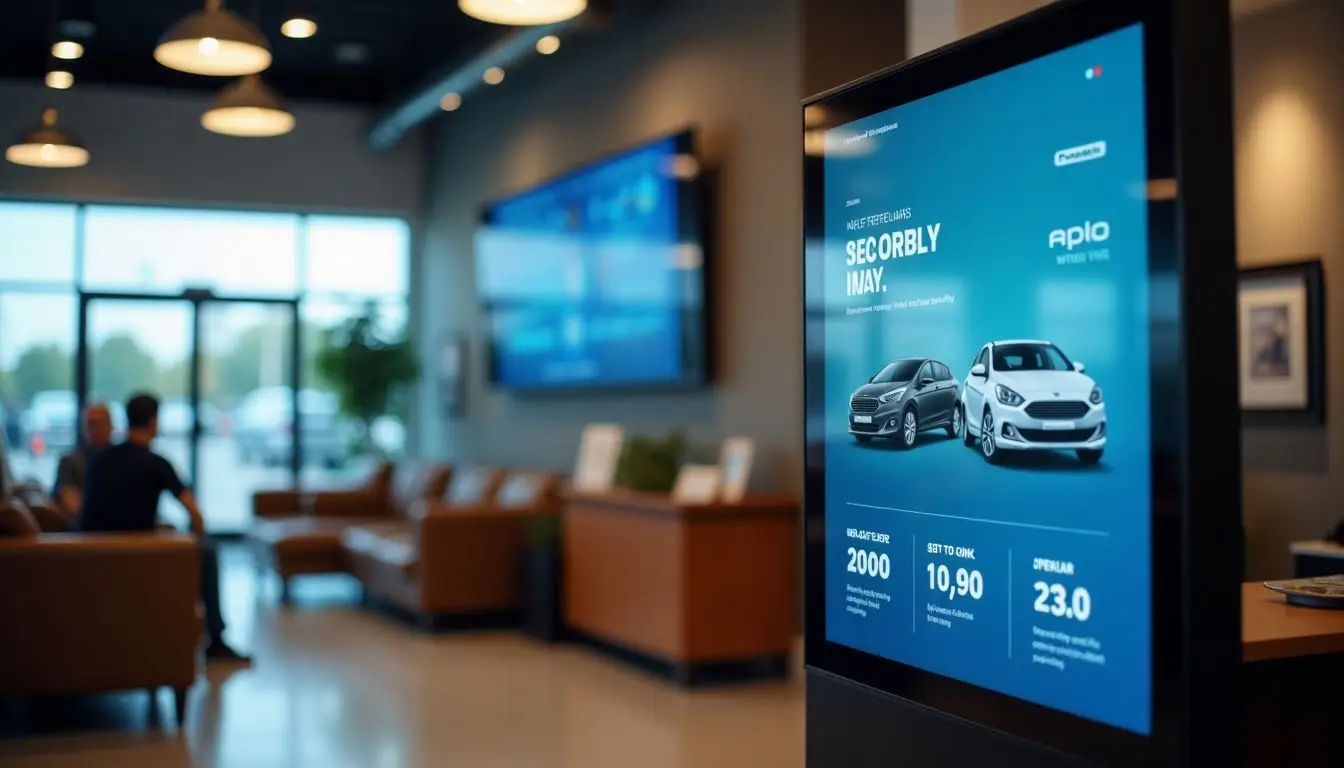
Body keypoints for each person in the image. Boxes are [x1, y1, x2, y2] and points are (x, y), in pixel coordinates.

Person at [81, 392, 249, 663]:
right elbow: (195, 513)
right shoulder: (157, 463)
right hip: (140, 560)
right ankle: (215, 641)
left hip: (95, 562)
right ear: (153, 422)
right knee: (208, 552)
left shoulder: (99, 460)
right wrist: (193, 540)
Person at [51, 402, 115, 523]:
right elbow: (72, 504)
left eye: (101, 424)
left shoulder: (123, 460)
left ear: (111, 426)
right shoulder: (70, 462)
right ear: (84, 427)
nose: (96, 430)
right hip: (83, 532)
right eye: (91, 425)